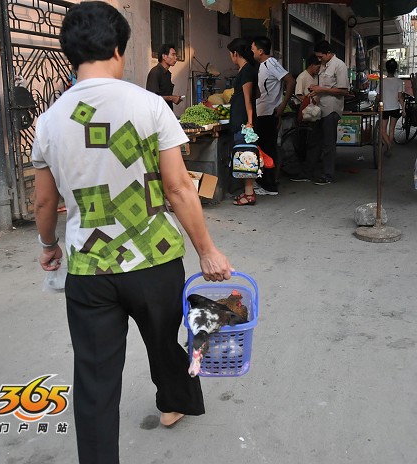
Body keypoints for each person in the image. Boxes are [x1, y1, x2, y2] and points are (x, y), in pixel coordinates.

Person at [32, 3, 233, 462]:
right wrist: (207, 250)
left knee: (96, 376)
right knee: (163, 339)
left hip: (90, 266)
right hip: (154, 258)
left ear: (69, 53)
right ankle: (173, 404)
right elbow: (180, 188)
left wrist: (48, 246)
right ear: (119, 49)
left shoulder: (50, 121)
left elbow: (44, 203)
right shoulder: (150, 106)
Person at [251, 36, 296, 195]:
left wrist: (282, 107)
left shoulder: (271, 63)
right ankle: (266, 183)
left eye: (253, 49)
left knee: (268, 149)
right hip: (263, 112)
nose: (252, 52)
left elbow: (291, 81)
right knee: (265, 148)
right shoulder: (263, 65)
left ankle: (269, 186)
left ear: (261, 51)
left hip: (269, 113)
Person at [308, 40, 349, 185]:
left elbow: (343, 90)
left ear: (328, 53)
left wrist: (321, 90)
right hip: (321, 107)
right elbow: (324, 87)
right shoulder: (324, 66)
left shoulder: (339, 65)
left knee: (328, 143)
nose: (319, 59)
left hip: (332, 109)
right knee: (319, 141)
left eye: (321, 56)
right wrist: (316, 93)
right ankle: (318, 170)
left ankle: (328, 175)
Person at [227, 38, 259, 206]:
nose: (230, 58)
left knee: (246, 154)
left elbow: (248, 99)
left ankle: (249, 194)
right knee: (244, 154)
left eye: (230, 54)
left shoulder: (246, 70)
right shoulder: (245, 70)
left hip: (244, 121)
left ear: (235, 53)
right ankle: (249, 192)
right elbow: (257, 95)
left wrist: (250, 122)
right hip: (241, 117)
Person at [290, 55, 324, 182]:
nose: (318, 69)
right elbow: (298, 95)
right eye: (317, 66)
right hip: (305, 113)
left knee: (314, 141)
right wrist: (308, 103)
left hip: (315, 113)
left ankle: (310, 167)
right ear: (311, 65)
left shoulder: (316, 77)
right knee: (306, 141)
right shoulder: (302, 77)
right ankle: (305, 169)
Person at [377, 58, 405, 155]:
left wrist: (375, 105)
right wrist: (404, 109)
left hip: (384, 108)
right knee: (391, 130)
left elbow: (378, 96)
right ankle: (389, 147)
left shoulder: (382, 81)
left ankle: (389, 145)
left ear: (386, 69)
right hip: (395, 108)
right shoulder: (399, 81)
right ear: (395, 69)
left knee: (382, 130)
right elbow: (400, 97)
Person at [145, 43, 182, 109]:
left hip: (167, 111)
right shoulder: (155, 72)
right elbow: (152, 97)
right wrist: (171, 98)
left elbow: (164, 94)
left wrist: (174, 98)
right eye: (173, 55)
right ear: (164, 56)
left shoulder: (167, 74)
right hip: (157, 113)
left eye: (175, 55)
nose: (176, 58)